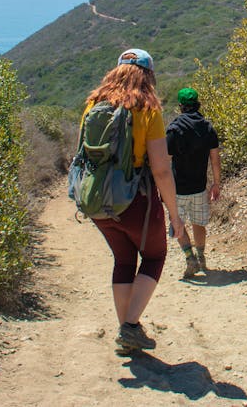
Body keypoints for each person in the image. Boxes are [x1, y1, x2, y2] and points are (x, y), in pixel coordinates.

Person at [80, 48, 188, 355]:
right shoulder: (147, 108)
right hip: (136, 202)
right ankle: (129, 327)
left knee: (124, 260)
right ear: (148, 75)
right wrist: (175, 215)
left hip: (97, 200)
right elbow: (161, 170)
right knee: (154, 256)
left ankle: (127, 330)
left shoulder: (92, 105)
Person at [166, 87, 221, 279]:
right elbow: (215, 159)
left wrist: (161, 188)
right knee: (199, 223)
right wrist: (216, 184)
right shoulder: (207, 127)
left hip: (177, 188)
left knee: (177, 224)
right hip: (199, 186)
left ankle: (190, 259)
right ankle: (201, 256)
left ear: (180, 106)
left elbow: (165, 161)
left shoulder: (174, 129)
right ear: (197, 103)